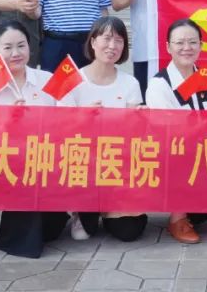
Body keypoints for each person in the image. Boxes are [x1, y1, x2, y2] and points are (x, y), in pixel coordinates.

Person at [0, 20, 67, 258]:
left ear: (30, 46)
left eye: (21, 45)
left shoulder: (47, 79)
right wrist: (6, 123)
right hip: (5, 162)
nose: (16, 53)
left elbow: (67, 121)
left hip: (47, 161)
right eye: (7, 47)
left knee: (52, 229)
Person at [63, 16, 146, 242]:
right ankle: (79, 210)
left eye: (119, 40)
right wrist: (82, 117)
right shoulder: (71, 78)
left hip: (116, 162)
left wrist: (140, 117)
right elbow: (58, 127)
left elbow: (134, 133)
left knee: (129, 230)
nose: (112, 46)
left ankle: (111, 207)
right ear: (93, 42)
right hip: (82, 162)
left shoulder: (130, 83)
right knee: (83, 234)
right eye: (106, 38)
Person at [144, 19, 207, 243]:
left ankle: (196, 207)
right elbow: (166, 129)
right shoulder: (159, 84)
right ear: (168, 47)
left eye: (193, 42)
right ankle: (178, 217)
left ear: (201, 45)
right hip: (175, 152)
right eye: (180, 42)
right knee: (180, 151)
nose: (187, 48)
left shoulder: (206, 76)